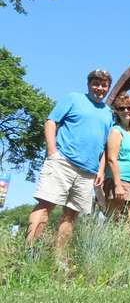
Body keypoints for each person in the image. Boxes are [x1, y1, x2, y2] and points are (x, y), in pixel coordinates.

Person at [26, 69, 113, 254]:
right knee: (45, 205)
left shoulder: (107, 113)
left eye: (103, 84)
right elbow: (51, 122)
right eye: (95, 83)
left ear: (108, 87)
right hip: (63, 162)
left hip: (88, 172)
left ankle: (59, 258)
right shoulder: (73, 99)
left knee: (71, 215)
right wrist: (52, 152)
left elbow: (103, 144)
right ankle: (29, 252)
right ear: (89, 84)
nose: (99, 88)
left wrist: (100, 169)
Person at [97, 93, 130, 223]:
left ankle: (126, 243)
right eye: (122, 108)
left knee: (128, 222)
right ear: (117, 112)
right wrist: (118, 185)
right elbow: (111, 159)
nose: (126, 111)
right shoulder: (116, 131)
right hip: (121, 180)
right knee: (115, 220)